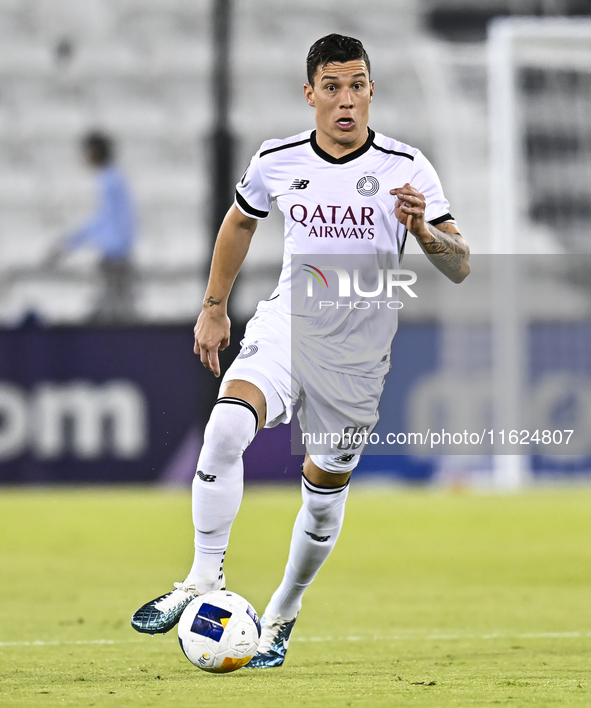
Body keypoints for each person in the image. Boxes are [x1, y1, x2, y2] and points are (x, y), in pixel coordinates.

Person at [131, 34, 470, 668]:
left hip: (357, 353)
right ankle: (203, 577)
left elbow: (460, 265)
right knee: (227, 424)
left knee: (322, 493)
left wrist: (422, 229)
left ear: (372, 90)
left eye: (359, 85)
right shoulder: (277, 158)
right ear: (309, 93)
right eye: (334, 88)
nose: (348, 101)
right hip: (288, 324)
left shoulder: (408, 166)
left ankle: (283, 611)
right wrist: (212, 307)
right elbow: (240, 221)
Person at [47, 131, 137, 324]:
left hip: (114, 256)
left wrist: (70, 243)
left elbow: (106, 221)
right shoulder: (113, 178)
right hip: (117, 253)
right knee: (116, 304)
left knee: (115, 309)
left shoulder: (109, 181)